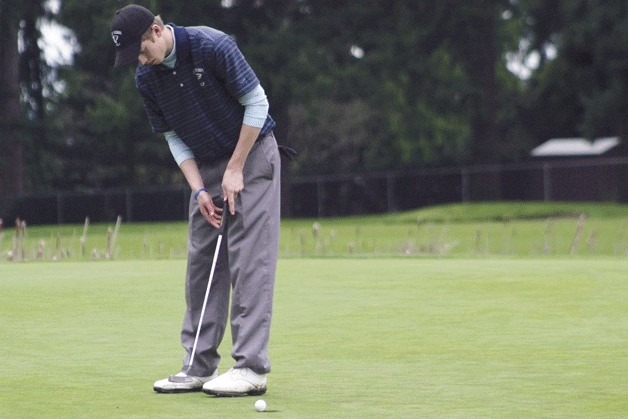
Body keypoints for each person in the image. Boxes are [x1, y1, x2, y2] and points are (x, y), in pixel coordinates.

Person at [110, 4, 281, 396]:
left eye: (141, 50)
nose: (140, 61)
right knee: (202, 263)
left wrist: (235, 168)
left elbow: (258, 104)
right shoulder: (146, 78)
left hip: (251, 152)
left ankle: (252, 367)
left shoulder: (212, 46)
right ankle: (199, 364)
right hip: (203, 163)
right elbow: (173, 136)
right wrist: (199, 189)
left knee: (248, 259)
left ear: (157, 30)